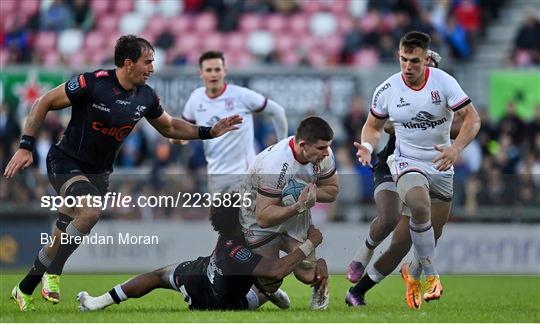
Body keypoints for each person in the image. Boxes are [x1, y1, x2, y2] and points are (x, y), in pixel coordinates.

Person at [4, 35, 242, 311]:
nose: (152, 68)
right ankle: (54, 272)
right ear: (128, 63)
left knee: (63, 233)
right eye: (148, 62)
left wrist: (209, 132)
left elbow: (170, 127)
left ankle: (24, 288)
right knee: (90, 212)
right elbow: (42, 102)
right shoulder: (92, 83)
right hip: (66, 161)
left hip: (99, 173)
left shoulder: (146, 96)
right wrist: (25, 146)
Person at [349, 31, 480, 309]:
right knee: (416, 208)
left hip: (441, 166)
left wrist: (455, 149)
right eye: (403, 59)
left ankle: (370, 288)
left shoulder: (444, 83)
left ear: (427, 60)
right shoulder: (387, 89)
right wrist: (367, 147)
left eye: (414, 61)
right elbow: (374, 126)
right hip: (404, 162)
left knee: (418, 239)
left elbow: (472, 118)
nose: (408, 67)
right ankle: (432, 277)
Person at [77, 205, 325, 311]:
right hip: (226, 303)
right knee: (269, 279)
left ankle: (98, 302)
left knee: (156, 276)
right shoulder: (238, 248)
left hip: (198, 277)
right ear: (239, 222)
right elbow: (276, 271)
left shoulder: (229, 234)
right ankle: (267, 294)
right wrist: (310, 243)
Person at [347, 49, 445, 282]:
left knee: (421, 234)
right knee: (389, 217)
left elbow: (462, 126)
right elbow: (386, 125)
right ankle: (365, 251)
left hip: (430, 172)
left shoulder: (446, 98)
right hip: (394, 165)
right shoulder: (398, 92)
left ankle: (409, 279)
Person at [240, 116, 339, 310]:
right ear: (303, 145)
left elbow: (332, 190)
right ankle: (270, 290)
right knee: (270, 278)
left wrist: (311, 193)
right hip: (256, 215)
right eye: (321, 148)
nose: (326, 152)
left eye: (327, 147)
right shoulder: (274, 166)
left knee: (307, 274)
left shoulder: (324, 154)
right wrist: (299, 205)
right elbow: (263, 217)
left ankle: (320, 287)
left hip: (295, 214)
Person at [176, 50, 288, 193]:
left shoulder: (240, 95)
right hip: (215, 177)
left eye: (217, 69)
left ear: (225, 71)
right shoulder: (196, 99)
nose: (213, 74)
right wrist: (179, 140)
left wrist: (281, 150)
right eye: (208, 70)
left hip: (244, 175)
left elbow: (278, 111)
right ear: (201, 73)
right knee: (219, 215)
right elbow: (183, 132)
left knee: (244, 215)